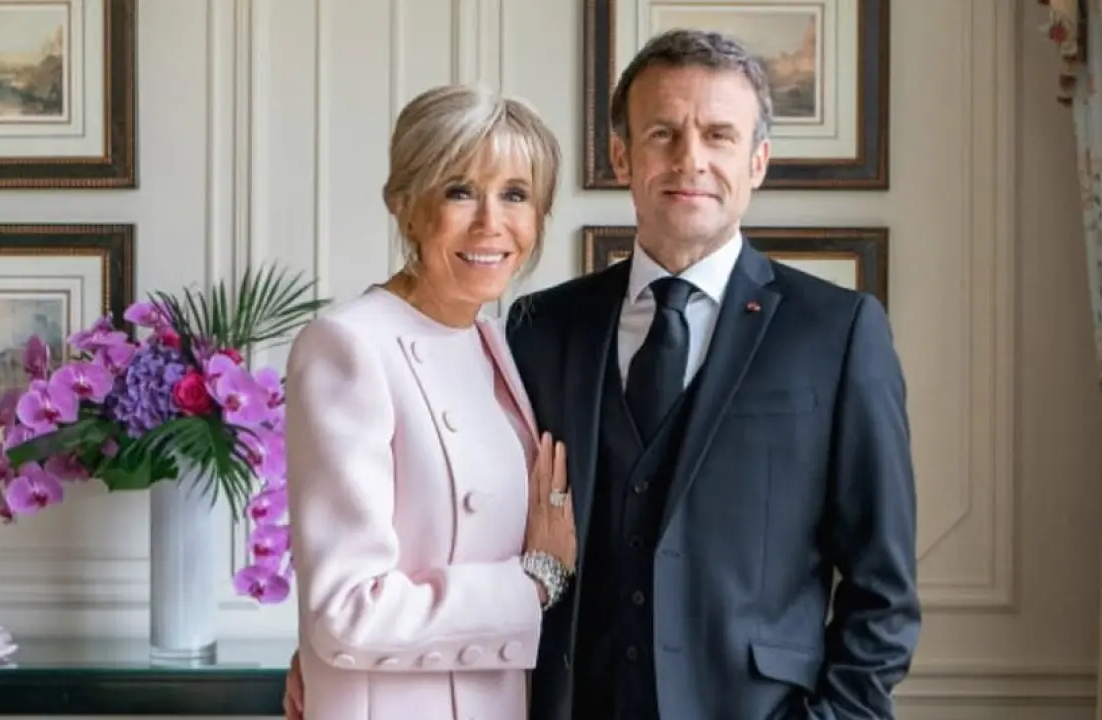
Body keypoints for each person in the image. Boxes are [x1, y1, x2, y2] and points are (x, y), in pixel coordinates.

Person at [287, 28, 920, 719]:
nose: (690, 159)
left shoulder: (837, 331)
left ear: (758, 160)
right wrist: (325, 648)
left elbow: (882, 591)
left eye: (718, 135)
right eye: (662, 134)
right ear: (622, 156)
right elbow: (454, 523)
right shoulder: (540, 327)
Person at [282, 83, 577, 720]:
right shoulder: (348, 345)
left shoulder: (495, 343)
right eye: (460, 191)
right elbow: (347, 611)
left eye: (516, 195)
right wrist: (535, 581)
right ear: (406, 206)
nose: (491, 223)